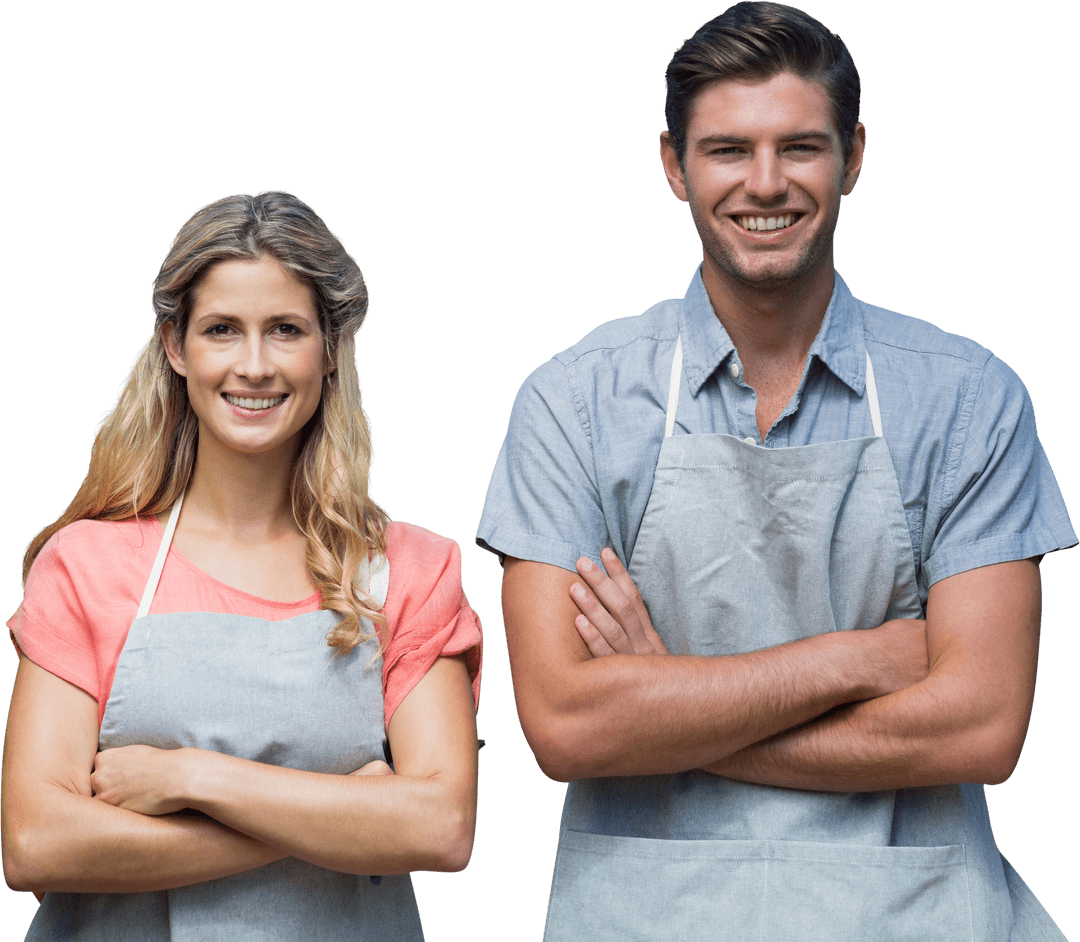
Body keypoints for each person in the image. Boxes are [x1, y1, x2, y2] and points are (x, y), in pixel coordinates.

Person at [477, 3, 1075, 939]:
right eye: (726, 151)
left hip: (910, 916)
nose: (765, 184)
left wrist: (671, 704)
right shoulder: (575, 403)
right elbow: (567, 727)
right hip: (651, 917)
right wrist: (860, 657)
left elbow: (983, 728)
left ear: (854, 155)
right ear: (674, 165)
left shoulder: (969, 400)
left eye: (799, 147)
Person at [2, 190, 482, 940]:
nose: (253, 366)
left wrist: (189, 777)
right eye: (222, 330)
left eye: (285, 330)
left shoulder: (410, 570)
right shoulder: (86, 567)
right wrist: (341, 817)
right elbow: (36, 843)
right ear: (175, 347)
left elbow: (441, 826)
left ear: (329, 351)